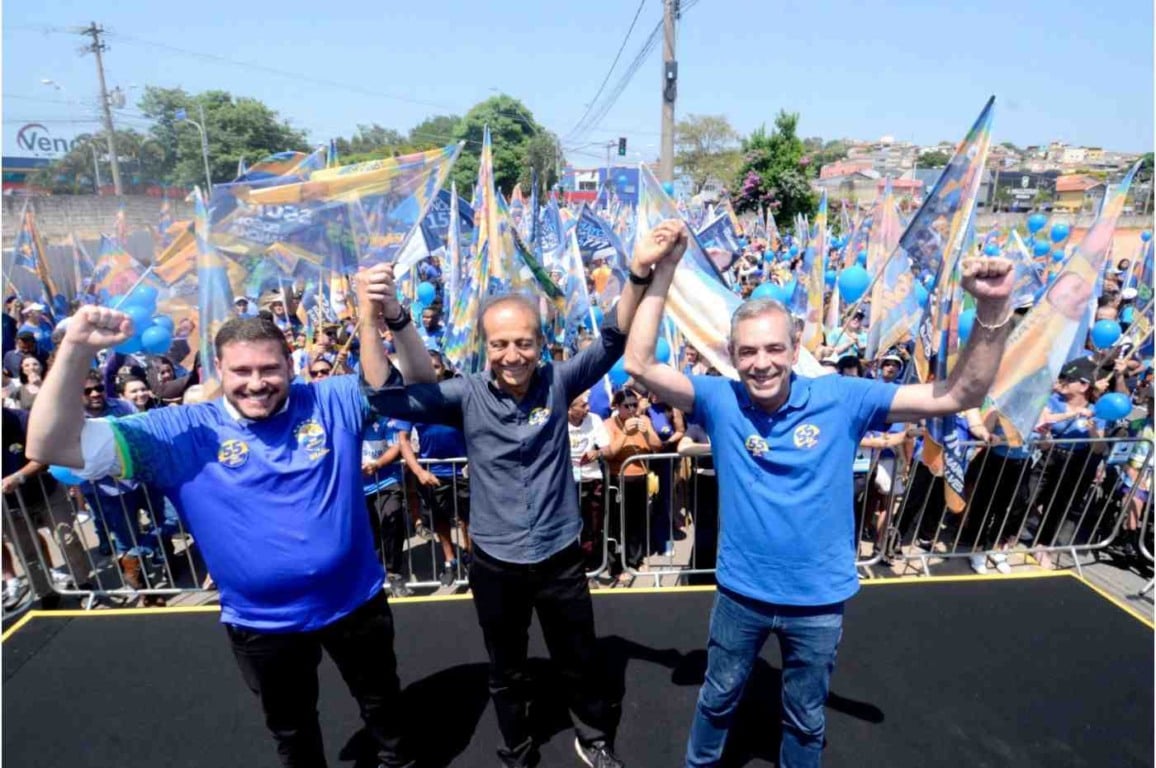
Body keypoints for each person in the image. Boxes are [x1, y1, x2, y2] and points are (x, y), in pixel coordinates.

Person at [623, 221, 1015, 768]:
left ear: (794, 346)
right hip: (741, 596)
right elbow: (639, 364)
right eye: (748, 352)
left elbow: (959, 393)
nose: (761, 362)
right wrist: (661, 271)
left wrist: (994, 311)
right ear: (732, 356)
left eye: (774, 348)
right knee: (716, 701)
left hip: (817, 602)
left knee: (806, 720)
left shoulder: (844, 398)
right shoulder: (719, 400)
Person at [26, 264, 431, 768]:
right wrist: (75, 348)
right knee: (294, 731)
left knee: (385, 711)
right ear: (219, 370)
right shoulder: (180, 430)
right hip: (263, 626)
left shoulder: (332, 398)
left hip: (356, 606)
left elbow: (419, 389)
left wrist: (392, 314)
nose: (257, 383)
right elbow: (49, 444)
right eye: (241, 372)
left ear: (290, 364)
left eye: (269, 369)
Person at [365, 220, 686, 768]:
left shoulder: (559, 382)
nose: (512, 354)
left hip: (560, 556)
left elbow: (612, 336)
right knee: (506, 667)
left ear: (541, 344)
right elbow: (385, 395)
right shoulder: (464, 395)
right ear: (484, 348)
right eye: (500, 344)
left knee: (580, 658)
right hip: (495, 562)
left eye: (523, 343)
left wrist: (638, 270)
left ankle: (594, 736)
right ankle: (516, 748)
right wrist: (378, 317)